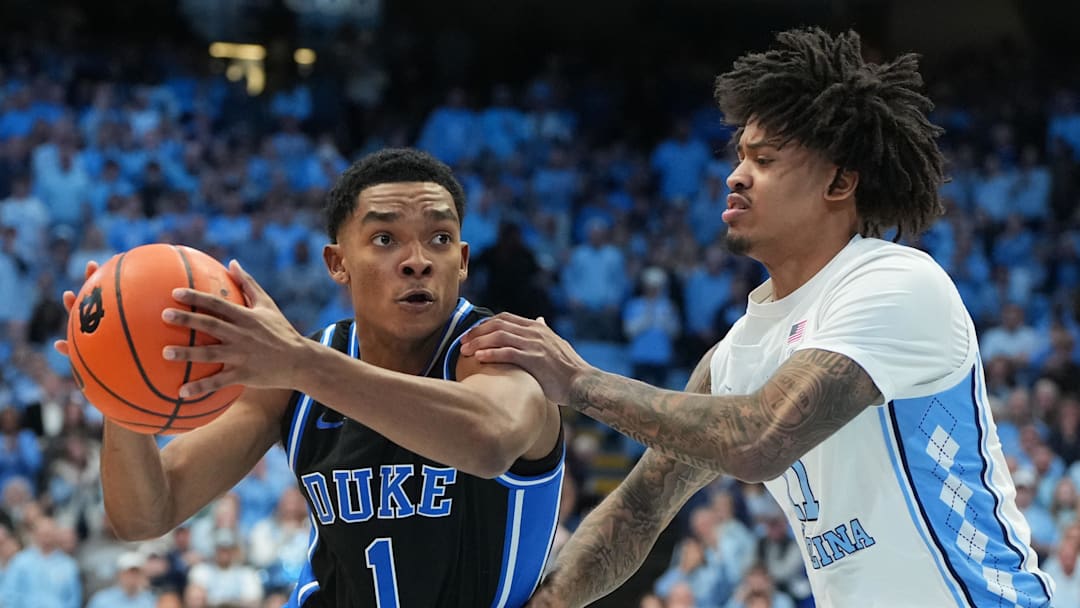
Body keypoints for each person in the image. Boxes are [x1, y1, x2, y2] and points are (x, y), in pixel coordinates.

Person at [460, 28, 1055, 607]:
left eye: (765, 160)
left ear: (840, 181)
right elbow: (640, 508)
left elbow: (760, 440)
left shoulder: (894, 281)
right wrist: (553, 600)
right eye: (740, 156)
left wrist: (580, 382)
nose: (735, 175)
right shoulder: (738, 349)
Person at [56, 148, 565, 607]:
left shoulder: (502, 351)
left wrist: (301, 364)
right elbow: (147, 513)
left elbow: (488, 442)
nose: (417, 262)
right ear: (337, 263)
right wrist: (118, 384)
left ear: (463, 261)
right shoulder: (299, 372)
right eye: (385, 239)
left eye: (440, 238)